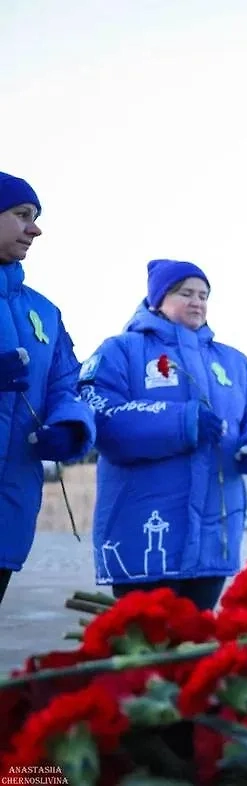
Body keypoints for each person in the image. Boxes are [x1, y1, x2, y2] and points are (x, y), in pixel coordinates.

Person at [79, 259, 247, 610]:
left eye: (203, 295)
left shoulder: (233, 361)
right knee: (145, 636)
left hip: (213, 536)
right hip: (141, 531)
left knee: (197, 635)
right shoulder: (121, 351)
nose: (197, 302)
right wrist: (182, 422)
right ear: (158, 299)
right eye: (186, 293)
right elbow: (101, 416)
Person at [0, 173, 96, 607]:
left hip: (10, 506)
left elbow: (67, 384)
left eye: (35, 217)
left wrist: (70, 426)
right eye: (22, 215)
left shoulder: (44, 312)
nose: (35, 229)